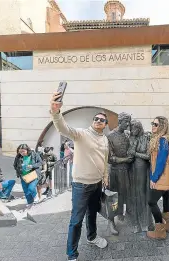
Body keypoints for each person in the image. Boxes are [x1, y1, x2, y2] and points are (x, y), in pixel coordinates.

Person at [50, 92, 109, 261]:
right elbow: (63, 128)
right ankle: (72, 254)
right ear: (93, 122)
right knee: (76, 220)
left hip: (97, 184)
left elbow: (104, 160)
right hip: (81, 185)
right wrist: (55, 112)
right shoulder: (82, 134)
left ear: (105, 124)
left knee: (92, 214)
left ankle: (92, 237)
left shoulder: (105, 139)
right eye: (96, 119)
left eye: (102, 120)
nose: (98, 121)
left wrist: (105, 176)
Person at [147, 116, 169, 239]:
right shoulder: (165, 139)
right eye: (152, 123)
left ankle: (160, 230)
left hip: (162, 176)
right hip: (166, 176)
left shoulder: (163, 140)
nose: (153, 126)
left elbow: (160, 162)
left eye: (156, 124)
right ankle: (168, 224)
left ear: (162, 126)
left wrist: (154, 178)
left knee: (151, 201)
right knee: (166, 196)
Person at [127, 120, 154, 233]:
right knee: (135, 195)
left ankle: (147, 222)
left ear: (139, 128)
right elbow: (129, 152)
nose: (132, 131)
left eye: (134, 129)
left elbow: (148, 156)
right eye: (131, 129)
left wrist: (135, 154)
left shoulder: (146, 137)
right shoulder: (132, 138)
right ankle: (135, 222)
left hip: (143, 169)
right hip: (132, 169)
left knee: (143, 194)